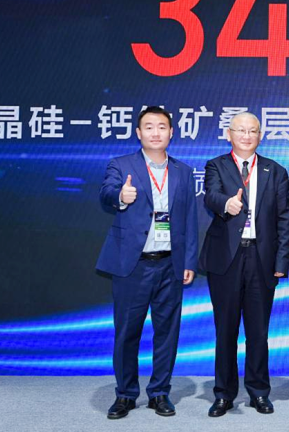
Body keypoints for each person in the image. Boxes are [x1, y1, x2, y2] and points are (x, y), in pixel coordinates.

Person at [96, 106, 198, 419]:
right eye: (149, 127)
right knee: (127, 332)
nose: (156, 132)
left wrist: (189, 260)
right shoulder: (121, 165)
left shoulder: (183, 171)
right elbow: (106, 193)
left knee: (167, 332)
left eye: (162, 127)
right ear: (139, 133)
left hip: (170, 264)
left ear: (171, 132)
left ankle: (159, 393)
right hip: (133, 265)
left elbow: (190, 219)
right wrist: (120, 196)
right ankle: (125, 394)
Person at [199, 112, 289, 417]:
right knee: (225, 330)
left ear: (260, 136)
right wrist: (226, 204)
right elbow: (211, 196)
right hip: (226, 258)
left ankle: (259, 392)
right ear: (229, 134)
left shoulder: (275, 171)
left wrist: (281, 261)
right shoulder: (216, 165)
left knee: (258, 331)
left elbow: (284, 219)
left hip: (261, 259)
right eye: (241, 130)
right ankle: (223, 394)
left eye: (253, 131)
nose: (247, 136)